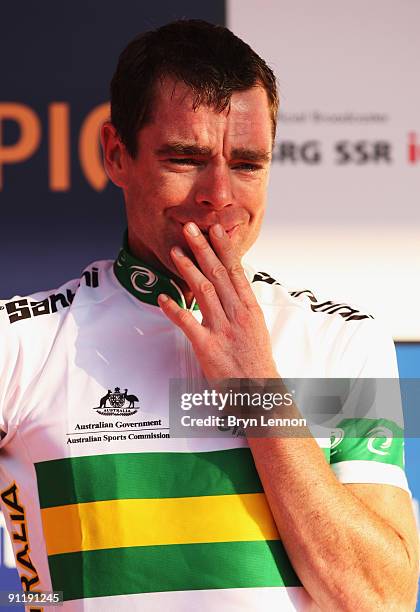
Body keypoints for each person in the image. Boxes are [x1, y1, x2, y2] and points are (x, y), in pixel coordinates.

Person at [0, 19, 418, 612]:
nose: (219, 194)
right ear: (117, 155)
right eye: (185, 158)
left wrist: (258, 392)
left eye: (247, 164)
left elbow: (382, 600)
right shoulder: (19, 344)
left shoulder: (344, 340)